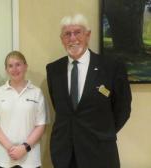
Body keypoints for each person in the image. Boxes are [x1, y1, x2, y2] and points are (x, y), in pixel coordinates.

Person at [46, 14, 132, 168]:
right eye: (67, 34)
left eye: (77, 32)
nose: (72, 38)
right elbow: (60, 107)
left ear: (88, 35)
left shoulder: (111, 67)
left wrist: (103, 132)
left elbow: (123, 109)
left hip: (100, 151)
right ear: (62, 39)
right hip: (65, 153)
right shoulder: (53, 69)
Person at [0, 51, 48, 168]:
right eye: (10, 66)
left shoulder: (36, 92)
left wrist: (24, 147)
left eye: (18, 64)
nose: (14, 69)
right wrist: (11, 148)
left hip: (30, 158)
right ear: (6, 70)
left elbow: (40, 125)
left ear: (25, 66)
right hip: (4, 157)